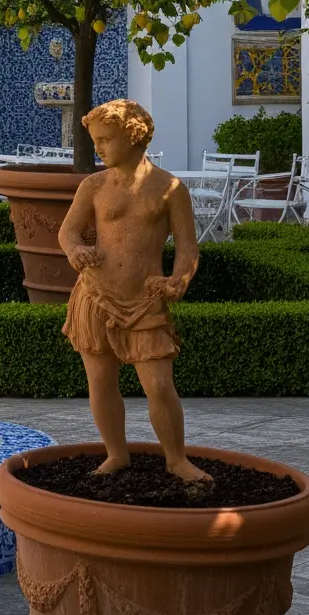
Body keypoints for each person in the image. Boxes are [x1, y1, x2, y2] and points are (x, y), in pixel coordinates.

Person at [57, 97, 210, 488]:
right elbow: (68, 231)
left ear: (133, 136)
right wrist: (76, 251)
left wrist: (178, 281)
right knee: (101, 381)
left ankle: (176, 459)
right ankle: (116, 453)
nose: (99, 148)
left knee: (158, 384)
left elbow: (189, 247)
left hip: (145, 300)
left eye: (106, 140)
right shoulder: (94, 185)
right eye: (96, 141)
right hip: (95, 293)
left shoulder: (170, 188)